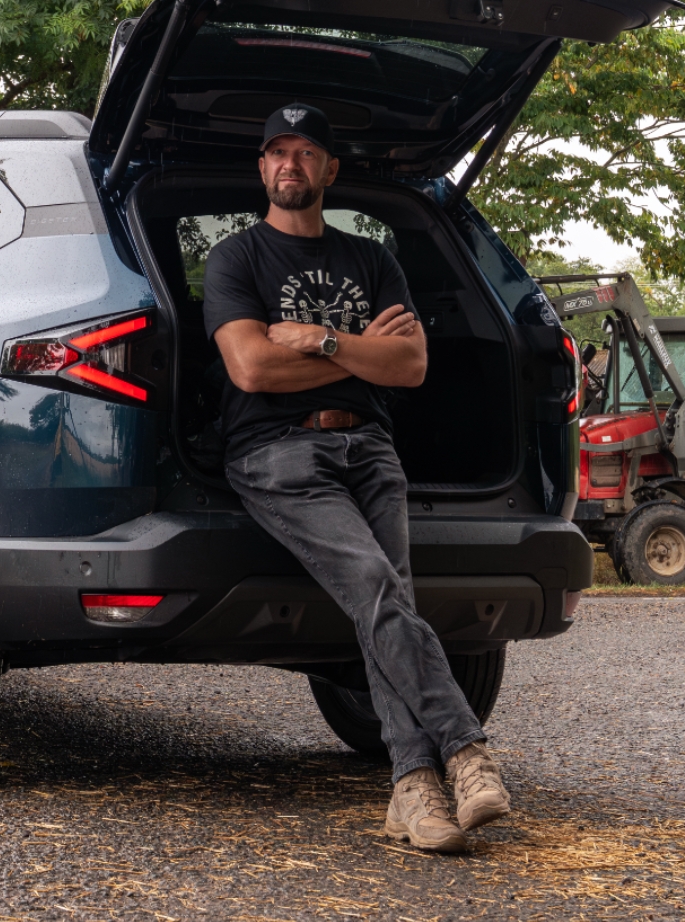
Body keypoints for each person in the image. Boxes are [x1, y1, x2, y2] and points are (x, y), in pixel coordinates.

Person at [202, 103, 511, 853]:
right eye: (278, 152)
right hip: (276, 453)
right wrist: (356, 348)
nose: (290, 165)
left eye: (307, 153)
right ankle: (465, 750)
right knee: (375, 588)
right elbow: (250, 366)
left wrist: (318, 337)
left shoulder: (372, 259)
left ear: (329, 170)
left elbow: (409, 365)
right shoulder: (236, 259)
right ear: (262, 168)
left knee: (387, 604)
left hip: (370, 450)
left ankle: (410, 787)